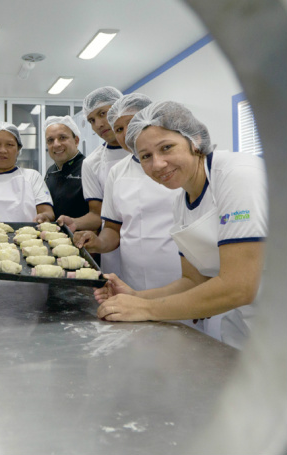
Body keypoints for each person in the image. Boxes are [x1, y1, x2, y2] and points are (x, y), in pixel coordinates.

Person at [95, 101, 267, 349]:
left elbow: (239, 286)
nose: (158, 164)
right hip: (245, 324)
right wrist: (134, 296)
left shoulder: (237, 176)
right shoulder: (181, 202)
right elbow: (193, 280)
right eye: (145, 157)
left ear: (195, 140)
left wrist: (146, 307)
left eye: (166, 148)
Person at [73, 94, 181, 291]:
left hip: (180, 277)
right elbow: (113, 229)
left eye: (132, 124)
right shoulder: (117, 172)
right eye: (119, 129)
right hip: (132, 279)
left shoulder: (179, 164)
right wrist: (97, 242)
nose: (125, 134)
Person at [57, 87, 125, 275]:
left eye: (103, 114)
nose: (99, 124)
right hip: (113, 248)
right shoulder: (92, 163)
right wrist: (75, 222)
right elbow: (97, 214)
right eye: (92, 120)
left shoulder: (149, 151)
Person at [44, 115, 89, 219]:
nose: (56, 144)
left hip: (82, 234)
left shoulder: (88, 167)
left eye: (62, 138)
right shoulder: (50, 172)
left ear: (76, 140)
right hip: (55, 234)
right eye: (50, 140)